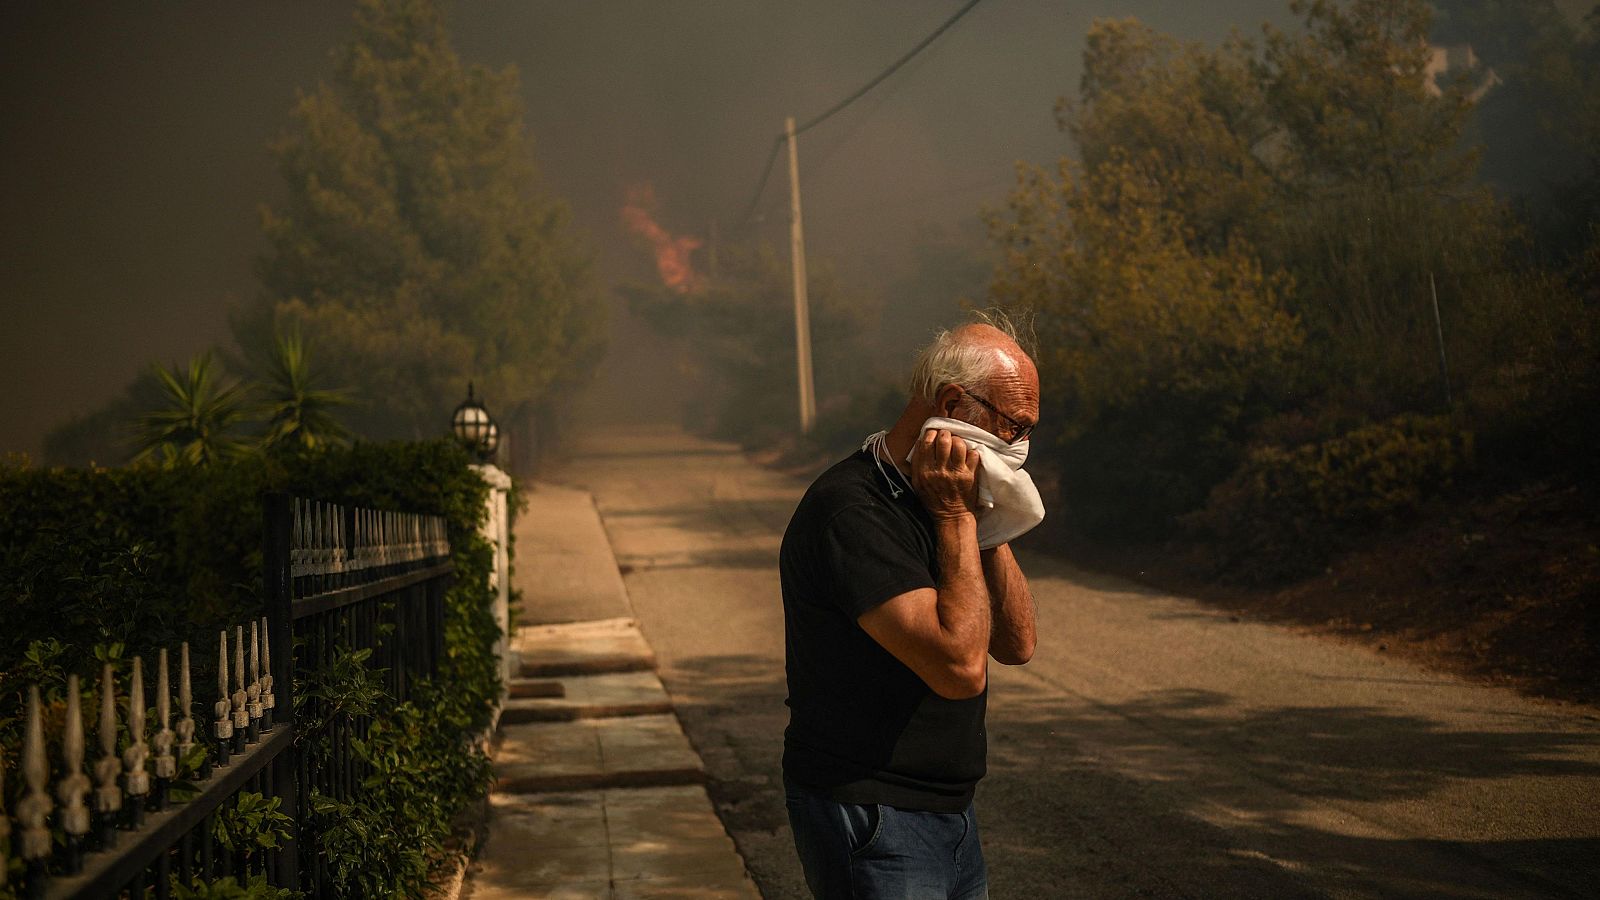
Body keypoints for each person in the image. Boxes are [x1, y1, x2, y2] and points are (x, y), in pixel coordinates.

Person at [780, 315, 1040, 899]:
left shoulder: (948, 496)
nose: (1021, 447)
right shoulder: (853, 511)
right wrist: (953, 517)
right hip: (874, 812)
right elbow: (959, 669)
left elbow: (1017, 644)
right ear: (954, 403)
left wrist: (986, 520)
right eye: (1014, 426)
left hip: (949, 814)